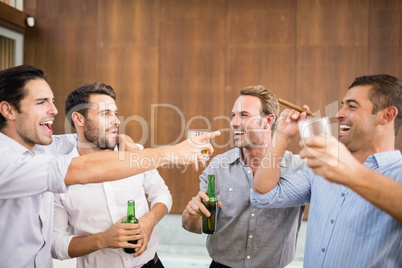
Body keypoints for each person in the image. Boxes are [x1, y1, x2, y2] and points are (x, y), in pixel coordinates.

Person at [0, 65, 219, 267]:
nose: (54, 110)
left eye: (53, 101)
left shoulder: (43, 147)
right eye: (41, 102)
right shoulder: (10, 161)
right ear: (9, 111)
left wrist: (117, 138)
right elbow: (81, 169)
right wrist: (172, 153)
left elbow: (78, 140)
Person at [251, 74, 402, 267]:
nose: (339, 113)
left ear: (386, 115)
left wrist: (353, 174)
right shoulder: (323, 168)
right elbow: (263, 195)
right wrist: (281, 136)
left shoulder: (398, 174)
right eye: (342, 105)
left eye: (352, 106)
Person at [182, 85, 306, 268]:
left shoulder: (298, 169)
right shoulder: (218, 167)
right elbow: (194, 226)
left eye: (244, 115)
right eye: (233, 115)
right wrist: (192, 216)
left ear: (268, 121)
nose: (233, 122)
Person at [52, 83, 171, 267]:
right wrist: (102, 240)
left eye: (115, 113)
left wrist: (149, 221)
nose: (116, 120)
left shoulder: (135, 153)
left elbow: (162, 194)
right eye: (105, 114)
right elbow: (55, 243)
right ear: (79, 119)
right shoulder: (60, 174)